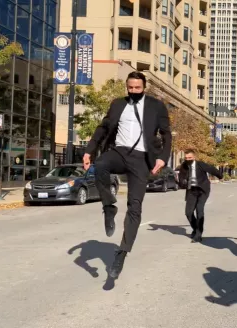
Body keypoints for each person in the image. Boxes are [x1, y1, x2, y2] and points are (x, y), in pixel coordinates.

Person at [82, 71, 172, 279]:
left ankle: (122, 252)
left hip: (141, 159)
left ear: (144, 87)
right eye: (130, 88)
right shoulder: (117, 104)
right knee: (101, 164)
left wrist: (162, 158)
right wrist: (89, 150)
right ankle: (109, 206)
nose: (133, 91)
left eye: (137, 88)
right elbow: (103, 128)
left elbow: (167, 134)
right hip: (120, 152)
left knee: (135, 206)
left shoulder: (156, 106)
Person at [177, 149, 223, 243]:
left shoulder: (200, 165)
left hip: (202, 190)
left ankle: (198, 234)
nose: (188, 159)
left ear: (194, 157)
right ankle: (195, 228)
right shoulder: (184, 167)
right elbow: (181, 180)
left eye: (190, 158)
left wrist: (220, 176)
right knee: (188, 212)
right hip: (191, 191)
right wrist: (180, 182)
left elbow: (212, 169)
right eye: (186, 158)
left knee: (199, 210)